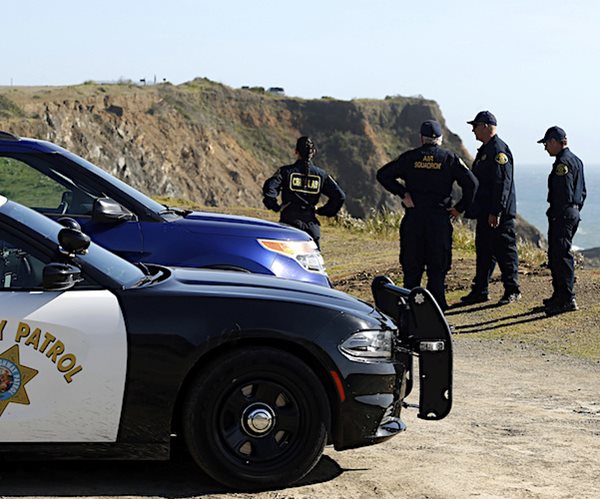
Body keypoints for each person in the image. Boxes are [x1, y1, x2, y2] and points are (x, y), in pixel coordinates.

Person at [376, 120, 478, 311]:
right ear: (440, 138)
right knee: (437, 269)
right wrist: (459, 208)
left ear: (421, 138)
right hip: (439, 221)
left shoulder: (410, 157)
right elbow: (472, 184)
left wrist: (403, 193)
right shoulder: (449, 158)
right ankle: (437, 309)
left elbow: (383, 175)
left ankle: (410, 308)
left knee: (411, 269)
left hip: (414, 219)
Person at [461, 111, 521, 306]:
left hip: (497, 214)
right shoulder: (486, 149)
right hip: (485, 212)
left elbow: (502, 183)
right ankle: (480, 290)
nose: (473, 130)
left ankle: (512, 290)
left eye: (475, 126)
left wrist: (496, 211)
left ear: (485, 126)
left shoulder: (498, 150)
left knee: (505, 251)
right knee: (484, 251)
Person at [262, 136, 345, 249]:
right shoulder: (321, 175)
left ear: (296, 152)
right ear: (313, 152)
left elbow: (269, 188)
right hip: (311, 226)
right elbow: (340, 196)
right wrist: (323, 211)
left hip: (289, 223)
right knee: (312, 258)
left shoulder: (285, 172)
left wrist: (275, 206)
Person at [537, 126, 586, 315]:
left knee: (561, 256)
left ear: (555, 142)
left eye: (546, 143)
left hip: (563, 214)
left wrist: (559, 213)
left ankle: (567, 298)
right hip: (572, 212)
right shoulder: (576, 160)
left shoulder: (562, 164)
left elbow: (563, 192)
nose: (545, 148)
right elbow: (582, 192)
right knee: (556, 255)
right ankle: (559, 295)